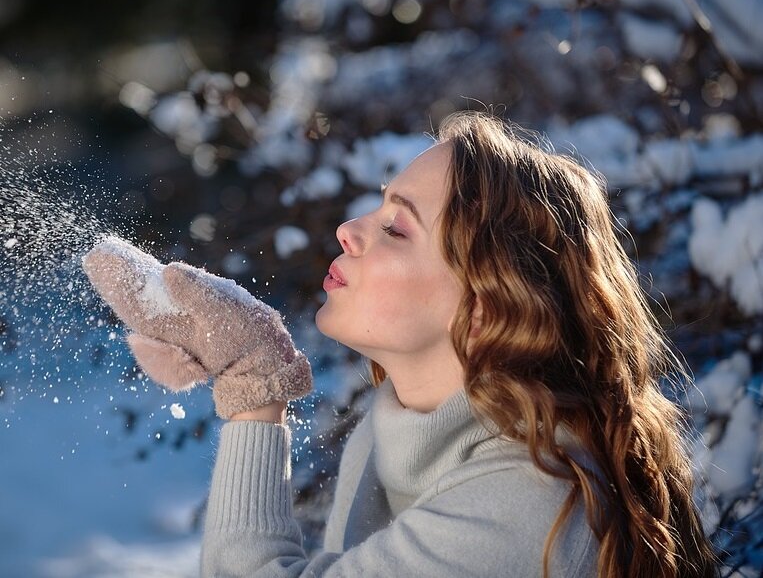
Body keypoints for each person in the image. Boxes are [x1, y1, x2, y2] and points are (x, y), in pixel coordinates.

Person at [83, 110, 719, 577]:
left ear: (484, 308)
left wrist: (255, 387)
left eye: (396, 227)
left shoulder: (530, 507)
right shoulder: (395, 431)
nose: (349, 229)